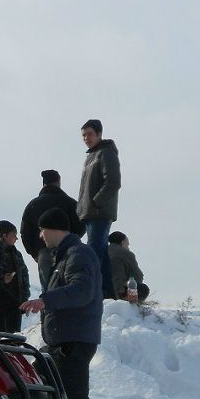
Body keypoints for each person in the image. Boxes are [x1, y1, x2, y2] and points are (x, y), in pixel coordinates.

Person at [19, 208, 105, 399]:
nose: (41, 236)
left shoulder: (79, 255)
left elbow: (82, 291)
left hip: (73, 344)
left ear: (54, 228)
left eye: (43, 231)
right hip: (62, 343)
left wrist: (45, 301)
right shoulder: (67, 256)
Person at [76, 119, 121, 300]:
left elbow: (113, 182)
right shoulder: (90, 157)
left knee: (92, 252)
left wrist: (95, 202)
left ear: (99, 134)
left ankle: (92, 291)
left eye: (90, 134)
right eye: (84, 135)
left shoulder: (106, 153)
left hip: (99, 212)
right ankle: (108, 293)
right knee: (101, 253)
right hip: (89, 213)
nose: (86, 138)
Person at [20, 169, 85, 290]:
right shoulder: (71, 203)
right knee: (69, 286)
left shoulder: (32, 205)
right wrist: (71, 240)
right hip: (69, 250)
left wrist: (34, 252)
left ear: (43, 184)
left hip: (43, 252)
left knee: (48, 292)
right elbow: (82, 225)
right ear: (59, 183)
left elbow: (25, 233)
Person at [0, 220, 30, 333]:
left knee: (14, 341)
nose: (16, 238)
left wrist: (24, 298)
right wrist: (2, 280)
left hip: (15, 305)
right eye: (13, 235)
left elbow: (24, 276)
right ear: (4, 236)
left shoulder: (17, 254)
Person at [106, 231, 149, 301]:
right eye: (127, 244)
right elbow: (138, 276)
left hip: (102, 290)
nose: (128, 246)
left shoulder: (102, 251)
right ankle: (129, 307)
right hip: (119, 291)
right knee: (144, 289)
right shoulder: (126, 254)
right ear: (122, 242)